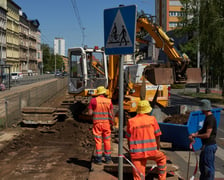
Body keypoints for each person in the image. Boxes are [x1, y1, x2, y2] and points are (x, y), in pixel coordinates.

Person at [126, 100, 167, 180]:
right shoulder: (152, 119)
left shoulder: (131, 121)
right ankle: (162, 178)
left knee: (138, 176)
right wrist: (157, 148)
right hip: (152, 151)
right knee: (162, 158)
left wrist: (130, 150)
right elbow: (157, 135)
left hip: (136, 153)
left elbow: (128, 138)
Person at [189, 99, 217, 180]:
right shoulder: (207, 118)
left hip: (209, 146)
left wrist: (196, 136)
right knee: (203, 167)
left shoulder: (210, 119)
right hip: (206, 146)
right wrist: (195, 134)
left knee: (208, 168)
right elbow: (203, 130)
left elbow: (207, 135)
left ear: (204, 108)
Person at [88, 86, 114, 165]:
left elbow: (90, 113)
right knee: (107, 141)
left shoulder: (93, 100)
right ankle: (108, 159)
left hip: (97, 124)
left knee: (98, 141)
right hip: (106, 124)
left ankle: (99, 159)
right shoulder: (109, 101)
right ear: (104, 92)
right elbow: (111, 114)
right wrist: (112, 123)